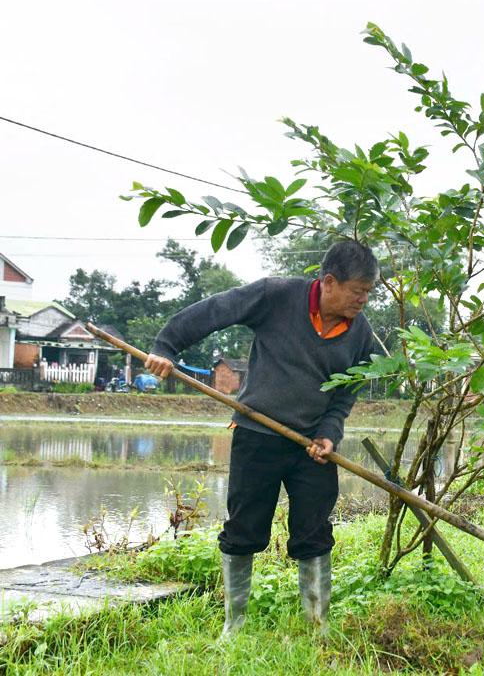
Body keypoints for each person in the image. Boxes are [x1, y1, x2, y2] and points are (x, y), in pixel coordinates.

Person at [145, 241, 377, 636]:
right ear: (329, 282)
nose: (363, 300)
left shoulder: (361, 336)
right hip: (257, 434)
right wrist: (166, 348)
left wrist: (328, 434)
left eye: (369, 292)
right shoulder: (276, 296)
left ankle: (317, 625)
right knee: (243, 530)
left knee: (315, 533)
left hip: (311, 449)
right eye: (358, 291)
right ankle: (233, 624)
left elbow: (344, 396)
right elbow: (214, 311)